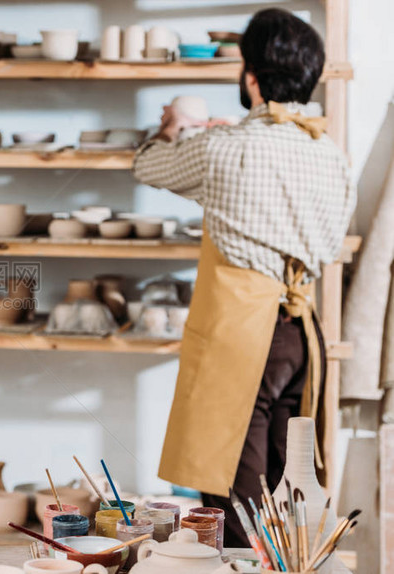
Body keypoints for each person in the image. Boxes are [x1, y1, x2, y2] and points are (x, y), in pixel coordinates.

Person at [133, 8, 355, 547]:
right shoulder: (329, 153)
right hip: (304, 335)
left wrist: (172, 130)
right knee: (290, 493)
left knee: (238, 502)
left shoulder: (222, 149)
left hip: (244, 339)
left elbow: (149, 166)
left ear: (251, 76)